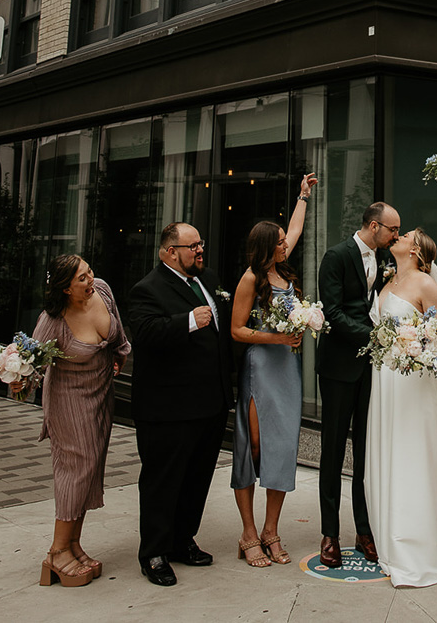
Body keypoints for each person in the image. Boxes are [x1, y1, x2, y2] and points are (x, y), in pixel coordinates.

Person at [364, 227, 437, 587]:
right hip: (386, 378)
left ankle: (418, 536)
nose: (397, 237)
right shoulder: (387, 282)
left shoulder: (425, 284)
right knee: (392, 450)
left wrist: (414, 348)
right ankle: (390, 528)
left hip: (415, 380)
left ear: (415, 250)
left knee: (414, 451)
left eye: (405, 235)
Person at [129, 222, 233, 587]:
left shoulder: (209, 279)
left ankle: (182, 540)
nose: (200, 251)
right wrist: (188, 320)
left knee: (197, 478)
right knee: (163, 481)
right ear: (169, 251)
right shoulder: (148, 289)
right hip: (168, 408)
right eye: (193, 246)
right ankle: (154, 553)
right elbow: (144, 335)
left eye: (201, 244)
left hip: (210, 403)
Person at [230, 173, 318, 567]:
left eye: (285, 239)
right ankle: (248, 533)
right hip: (261, 369)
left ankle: (271, 530)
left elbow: (296, 226)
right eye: (280, 241)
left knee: (282, 448)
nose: (287, 244)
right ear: (268, 246)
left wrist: (303, 195)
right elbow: (237, 330)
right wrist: (278, 339)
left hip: (288, 371)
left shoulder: (283, 271)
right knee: (255, 448)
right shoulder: (251, 278)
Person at [31, 255, 130, 587]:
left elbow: (116, 332)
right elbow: (31, 362)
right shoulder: (53, 319)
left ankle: (74, 544)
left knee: (90, 467)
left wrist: (119, 354)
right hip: (68, 401)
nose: (90, 281)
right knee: (75, 467)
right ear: (64, 288)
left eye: (90, 273)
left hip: (101, 395)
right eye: (82, 279)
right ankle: (57, 553)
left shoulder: (101, 290)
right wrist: (17, 380)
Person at [315, 200, 402, 569]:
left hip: (371, 367)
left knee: (367, 451)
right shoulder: (336, 256)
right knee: (333, 452)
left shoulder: (385, 260)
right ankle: (329, 533)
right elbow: (332, 313)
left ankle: (364, 530)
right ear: (372, 225)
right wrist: (375, 335)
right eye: (392, 229)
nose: (396, 235)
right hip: (338, 366)